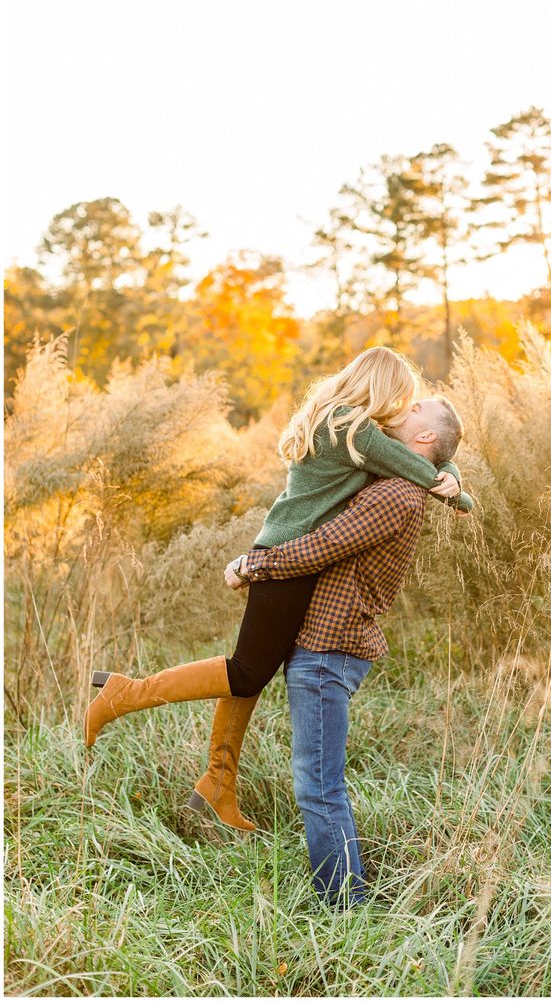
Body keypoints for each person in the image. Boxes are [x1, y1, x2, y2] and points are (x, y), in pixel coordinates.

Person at [83, 348, 473, 832]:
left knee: (251, 668)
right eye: (404, 398)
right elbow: (421, 467)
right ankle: (126, 694)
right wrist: (458, 490)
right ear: (382, 389)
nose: (404, 407)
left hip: (290, 553)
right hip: (287, 557)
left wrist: (451, 475)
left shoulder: (348, 425)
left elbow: (427, 462)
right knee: (246, 672)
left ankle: (218, 785)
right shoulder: (352, 427)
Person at [224, 395, 469, 907]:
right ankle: (346, 894)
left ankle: (345, 907)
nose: (410, 402)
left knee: (318, 786)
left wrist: (252, 566)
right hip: (325, 646)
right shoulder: (396, 479)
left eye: (419, 406)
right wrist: (451, 473)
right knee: (319, 781)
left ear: (424, 437)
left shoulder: (396, 496)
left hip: (328, 650)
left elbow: (321, 546)